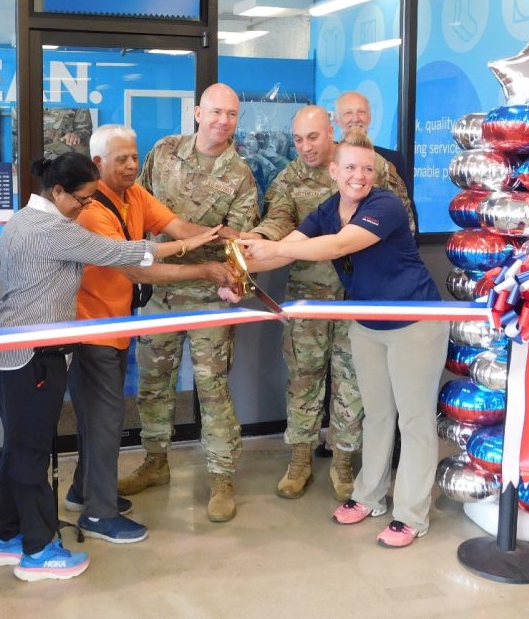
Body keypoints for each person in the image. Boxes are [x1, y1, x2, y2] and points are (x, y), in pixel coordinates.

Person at [0, 152, 221, 581]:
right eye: (82, 199)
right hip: (33, 357)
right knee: (32, 455)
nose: (86, 207)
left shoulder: (21, 220)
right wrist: (190, 245)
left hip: (11, 354)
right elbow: (127, 252)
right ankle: (38, 551)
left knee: (18, 448)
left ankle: (7, 536)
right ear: (57, 191)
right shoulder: (53, 230)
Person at [238, 129, 449, 548]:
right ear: (333, 171)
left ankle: (411, 516)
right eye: (351, 167)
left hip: (415, 325)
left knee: (415, 422)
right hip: (367, 324)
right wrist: (252, 255)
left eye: (367, 168)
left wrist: (275, 250)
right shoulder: (327, 208)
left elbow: (336, 246)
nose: (360, 175)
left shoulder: (384, 205)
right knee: (376, 416)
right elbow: (293, 243)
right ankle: (369, 497)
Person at [223, 105, 414, 502]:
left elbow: (404, 225)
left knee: (352, 383)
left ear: (332, 131)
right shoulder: (290, 178)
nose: (305, 147)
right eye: (297, 140)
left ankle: (343, 462)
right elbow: (281, 225)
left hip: (360, 299)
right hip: (309, 298)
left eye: (312, 137)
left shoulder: (370, 168)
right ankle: (300, 460)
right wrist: (252, 250)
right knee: (304, 379)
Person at [69, 124, 236, 544]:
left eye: (134, 156)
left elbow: (175, 226)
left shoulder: (134, 196)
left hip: (118, 325)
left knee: (98, 419)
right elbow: (137, 267)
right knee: (105, 421)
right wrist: (204, 268)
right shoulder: (92, 213)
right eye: (121, 159)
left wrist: (218, 236)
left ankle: (82, 490)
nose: (131, 165)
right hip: (93, 331)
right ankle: (99, 514)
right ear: (97, 164)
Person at [117, 83, 260, 523]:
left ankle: (220, 475)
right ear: (198, 113)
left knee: (212, 388)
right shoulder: (163, 152)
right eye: (216, 111)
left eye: (232, 114)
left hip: (208, 298)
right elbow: (135, 208)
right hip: (159, 290)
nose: (223, 121)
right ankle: (156, 460)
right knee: (153, 385)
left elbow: (234, 244)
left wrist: (225, 267)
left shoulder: (242, 176)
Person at [333, 90, 417, 230]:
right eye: (348, 113)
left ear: (370, 117)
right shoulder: (329, 158)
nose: (355, 118)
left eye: (361, 112)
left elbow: (408, 217)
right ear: (336, 120)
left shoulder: (391, 160)